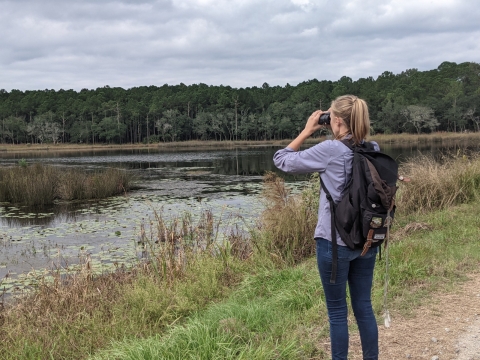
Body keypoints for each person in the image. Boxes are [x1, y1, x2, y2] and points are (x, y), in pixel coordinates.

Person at [273, 95, 379, 360]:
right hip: (367, 240)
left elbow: (282, 159)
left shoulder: (331, 150)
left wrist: (308, 130)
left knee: (337, 312)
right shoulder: (373, 148)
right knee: (364, 306)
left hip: (334, 243)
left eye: (330, 117)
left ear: (338, 120)